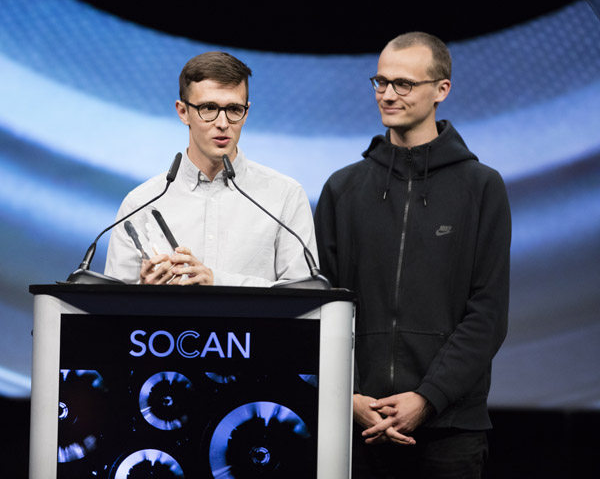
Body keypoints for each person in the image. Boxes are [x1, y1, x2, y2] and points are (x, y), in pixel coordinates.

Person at [314, 32, 511, 478]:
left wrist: (427, 398)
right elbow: (323, 306)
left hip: (449, 428)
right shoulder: (343, 189)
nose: (388, 95)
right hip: (355, 424)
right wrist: (347, 396)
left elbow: (488, 312)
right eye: (381, 82)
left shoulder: (481, 187)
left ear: (441, 90)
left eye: (403, 83)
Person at [105, 51, 317, 286]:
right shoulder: (140, 204)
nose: (223, 123)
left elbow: (305, 294)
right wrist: (144, 292)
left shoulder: (285, 196)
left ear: (246, 113)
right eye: (208, 108)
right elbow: (111, 303)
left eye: (234, 109)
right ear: (183, 112)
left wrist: (218, 282)